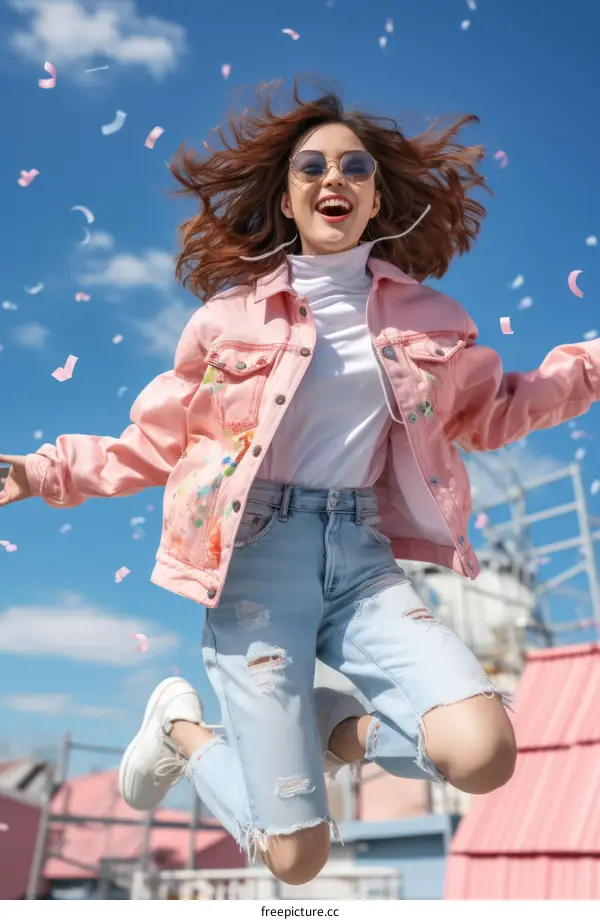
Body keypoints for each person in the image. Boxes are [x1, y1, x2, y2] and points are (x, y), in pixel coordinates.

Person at [1, 77, 599, 886]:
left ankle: (334, 729)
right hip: (256, 568)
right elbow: (158, 440)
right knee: (296, 860)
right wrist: (41, 471)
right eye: (312, 167)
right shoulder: (231, 320)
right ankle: (183, 731)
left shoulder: (430, 320)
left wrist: (588, 365)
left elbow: (498, 408)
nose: (334, 180)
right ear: (287, 199)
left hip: (360, 562)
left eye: (354, 168)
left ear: (375, 195)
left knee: (484, 752)